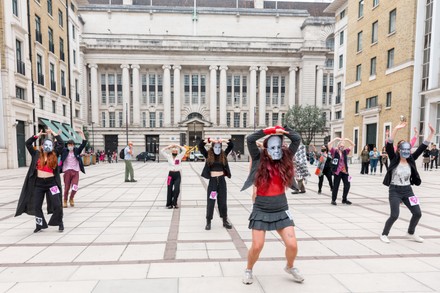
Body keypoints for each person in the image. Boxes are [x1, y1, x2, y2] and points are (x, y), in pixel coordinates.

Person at [241, 126, 303, 285]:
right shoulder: (258, 158)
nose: (276, 151)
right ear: (266, 148)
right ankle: (248, 269)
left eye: (279, 147)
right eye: (272, 147)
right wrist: (267, 131)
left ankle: (290, 267)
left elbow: (296, 139)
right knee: (257, 246)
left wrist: (284, 130)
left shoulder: (286, 157)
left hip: (281, 207)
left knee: (292, 245)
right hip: (261, 207)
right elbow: (250, 139)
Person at [380, 122, 435, 243]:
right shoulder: (394, 159)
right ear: (399, 150)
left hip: (408, 190)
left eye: (408, 148)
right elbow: (389, 144)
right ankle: (384, 234)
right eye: (403, 148)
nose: (406, 151)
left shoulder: (411, 158)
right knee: (394, 215)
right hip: (394, 190)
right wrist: (395, 129)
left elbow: (422, 147)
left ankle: (410, 233)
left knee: (417, 213)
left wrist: (432, 133)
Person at [15, 129, 65, 233]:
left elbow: (62, 143)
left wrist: (54, 134)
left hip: (52, 183)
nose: (47, 147)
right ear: (41, 146)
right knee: (36, 206)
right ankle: (39, 225)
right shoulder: (36, 154)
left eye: (49, 145)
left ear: (52, 147)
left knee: (57, 204)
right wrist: (36, 136)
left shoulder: (55, 154)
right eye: (45, 145)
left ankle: (59, 223)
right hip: (39, 184)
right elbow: (28, 143)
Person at [199, 137, 234, 230]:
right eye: (216, 147)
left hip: (222, 181)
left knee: (222, 202)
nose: (217, 149)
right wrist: (210, 140)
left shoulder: (224, 155)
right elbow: (200, 146)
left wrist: (223, 140)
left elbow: (231, 145)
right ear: (212, 147)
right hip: (213, 182)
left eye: (219, 147)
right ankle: (208, 221)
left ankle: (225, 220)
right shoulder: (208, 155)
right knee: (211, 201)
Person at [59, 130, 87, 208]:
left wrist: (82, 134)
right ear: (67, 145)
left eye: (72, 145)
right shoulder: (64, 151)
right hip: (67, 171)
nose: (70, 146)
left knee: (75, 187)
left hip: (75, 171)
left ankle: (71, 198)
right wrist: (57, 136)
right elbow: (57, 146)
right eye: (69, 145)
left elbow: (83, 144)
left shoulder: (76, 151)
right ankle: (65, 200)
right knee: (67, 187)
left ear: (74, 145)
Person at [328, 137, 354, 205]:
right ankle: (333, 200)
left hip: (345, 172)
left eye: (343, 146)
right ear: (338, 146)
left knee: (348, 184)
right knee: (336, 186)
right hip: (337, 172)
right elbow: (329, 145)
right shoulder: (334, 151)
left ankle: (344, 199)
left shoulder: (345, 152)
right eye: (341, 145)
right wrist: (335, 139)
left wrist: (347, 140)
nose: (342, 147)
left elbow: (353, 145)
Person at [161, 144, 187, 209]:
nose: (175, 152)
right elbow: (162, 151)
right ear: (171, 152)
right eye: (173, 151)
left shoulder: (179, 157)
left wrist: (178, 146)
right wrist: (169, 147)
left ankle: (174, 202)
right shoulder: (168, 156)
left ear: (177, 152)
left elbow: (185, 150)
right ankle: (169, 204)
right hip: (170, 175)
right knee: (169, 189)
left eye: (176, 151)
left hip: (177, 175)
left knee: (177, 189)